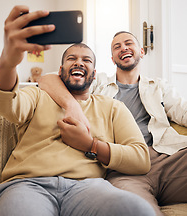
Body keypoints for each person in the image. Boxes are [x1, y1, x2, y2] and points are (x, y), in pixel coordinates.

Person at [0, 6, 156, 216]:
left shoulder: (112, 107)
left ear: (94, 75)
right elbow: (4, 103)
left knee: (138, 210)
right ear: (60, 71)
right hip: (27, 185)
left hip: (89, 188)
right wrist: (8, 61)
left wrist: (92, 145)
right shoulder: (38, 96)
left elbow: (141, 159)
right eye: (71, 59)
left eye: (87, 60)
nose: (79, 62)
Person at [38, 31, 187, 216]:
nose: (123, 48)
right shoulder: (97, 81)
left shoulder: (158, 86)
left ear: (141, 51)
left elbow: (183, 112)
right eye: (117, 46)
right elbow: (47, 79)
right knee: (136, 209)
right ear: (112, 58)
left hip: (166, 156)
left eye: (128, 43)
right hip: (121, 166)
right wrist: (71, 106)